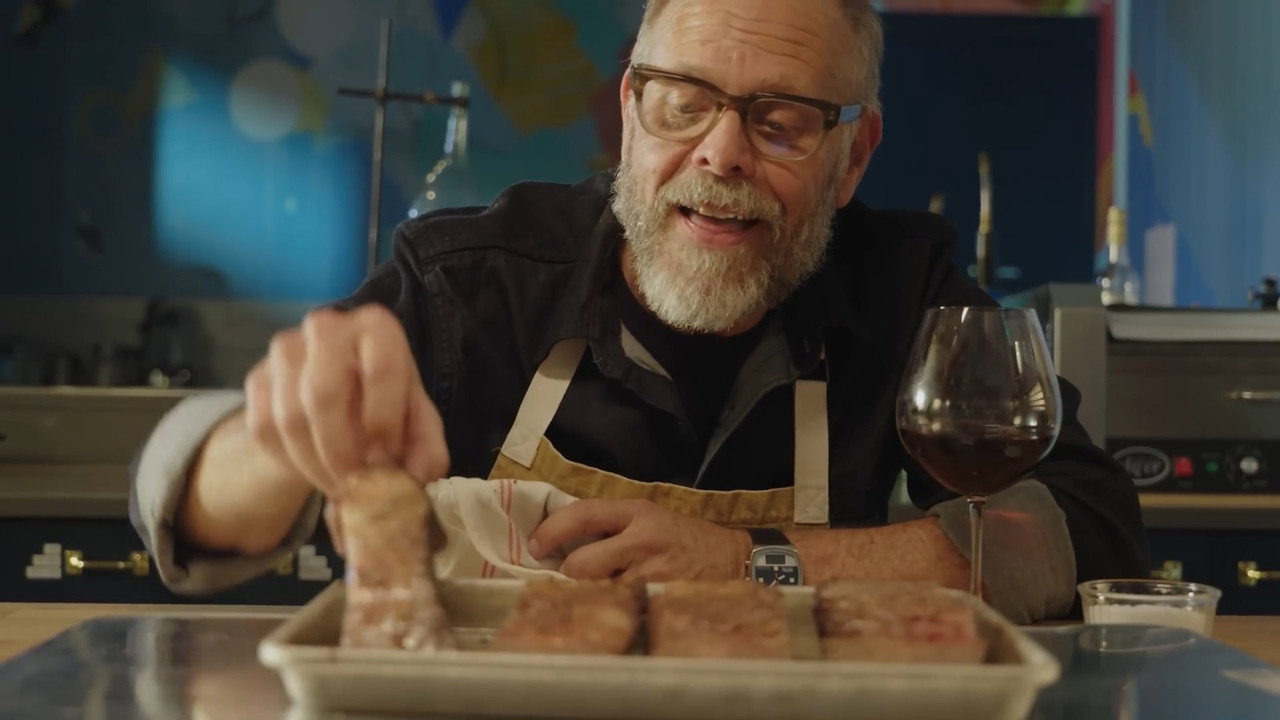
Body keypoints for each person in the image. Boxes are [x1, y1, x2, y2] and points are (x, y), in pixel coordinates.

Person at [131, 0, 1147, 622]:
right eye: (681, 101)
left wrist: (759, 567)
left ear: (853, 157)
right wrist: (275, 437)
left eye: (780, 120)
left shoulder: (904, 296)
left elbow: (1089, 525)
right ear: (627, 111)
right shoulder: (471, 282)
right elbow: (186, 513)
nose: (718, 153)